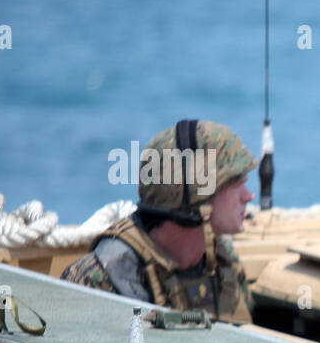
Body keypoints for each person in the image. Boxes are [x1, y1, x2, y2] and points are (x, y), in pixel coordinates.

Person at [61, 119, 257, 323]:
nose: (249, 196)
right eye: (235, 185)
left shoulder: (223, 262)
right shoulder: (98, 279)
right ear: (197, 197)